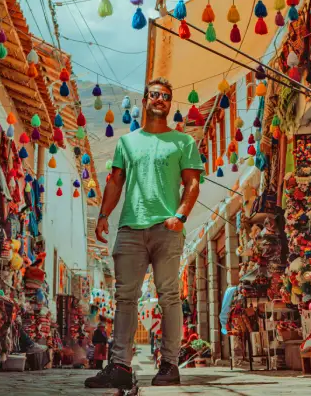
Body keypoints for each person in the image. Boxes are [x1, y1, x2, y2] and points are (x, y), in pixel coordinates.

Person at [85, 77, 202, 390]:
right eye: (154, 94)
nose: (160, 99)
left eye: (165, 95)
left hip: (167, 228)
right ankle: (120, 365)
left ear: (169, 102)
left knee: (169, 297)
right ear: (145, 101)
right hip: (130, 229)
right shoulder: (127, 142)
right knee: (125, 298)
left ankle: (169, 364)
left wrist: (181, 215)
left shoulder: (183, 142)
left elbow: (192, 183)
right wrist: (103, 215)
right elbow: (115, 181)